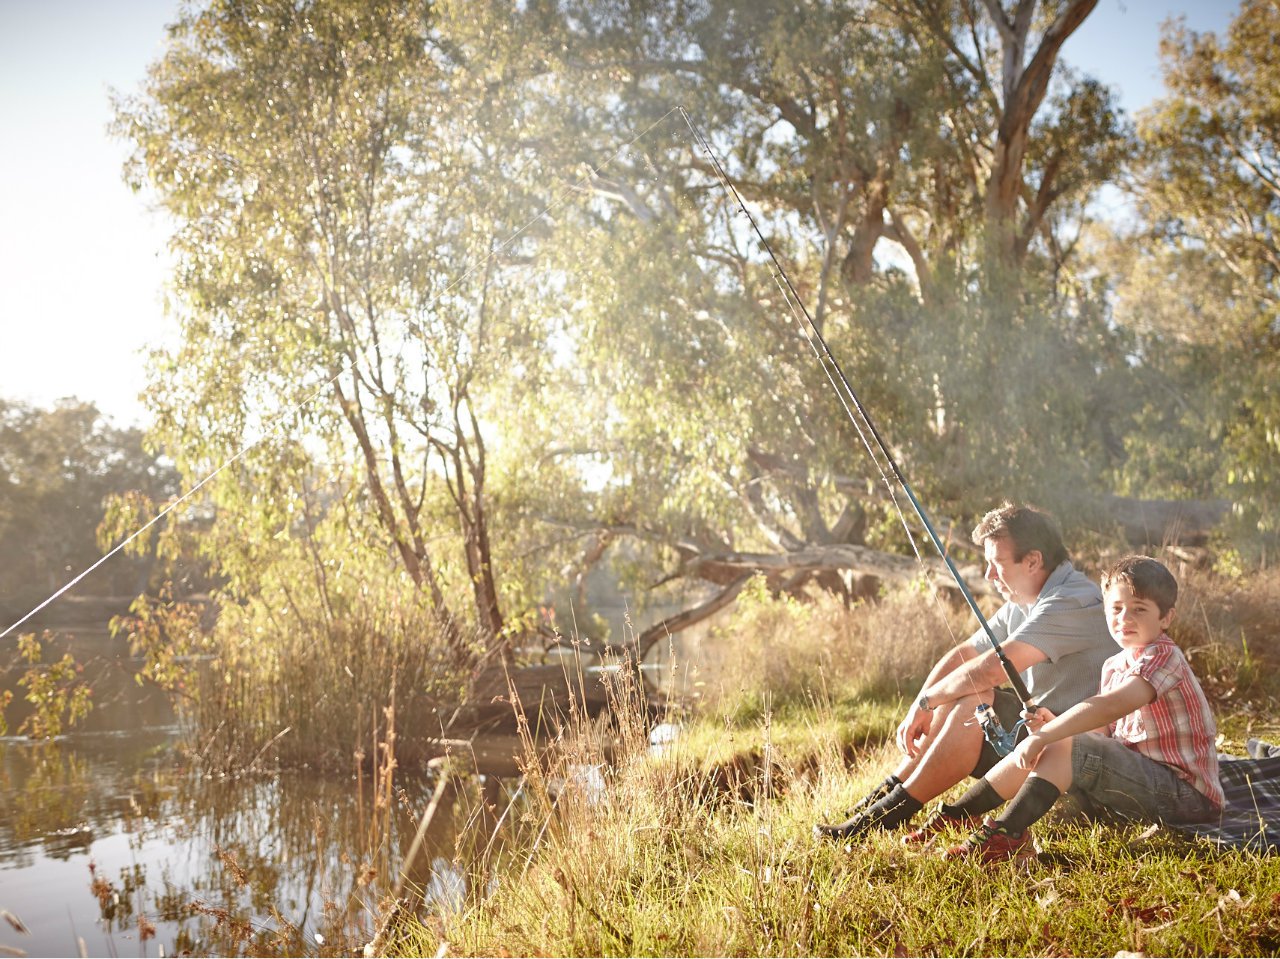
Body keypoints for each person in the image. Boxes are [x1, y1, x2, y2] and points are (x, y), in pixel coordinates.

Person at [815, 502, 1118, 841]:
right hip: (1038, 734)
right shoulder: (1027, 599)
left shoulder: (1071, 602)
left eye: (997, 563)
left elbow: (990, 670)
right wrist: (920, 705)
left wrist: (930, 701)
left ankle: (889, 815)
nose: (989, 574)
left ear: (1033, 560)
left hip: (1073, 758)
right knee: (963, 692)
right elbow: (966, 655)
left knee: (974, 699)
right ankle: (890, 792)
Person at [932, 554, 1222, 862]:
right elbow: (1100, 734)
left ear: (1165, 618)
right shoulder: (1115, 664)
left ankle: (1006, 834)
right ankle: (959, 814)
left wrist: (1046, 737)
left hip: (1187, 798)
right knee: (1062, 741)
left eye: (1139, 610)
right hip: (1140, 784)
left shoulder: (1164, 658)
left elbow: (1109, 706)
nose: (1124, 619)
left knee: (1062, 742)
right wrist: (1051, 725)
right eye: (1116, 608)